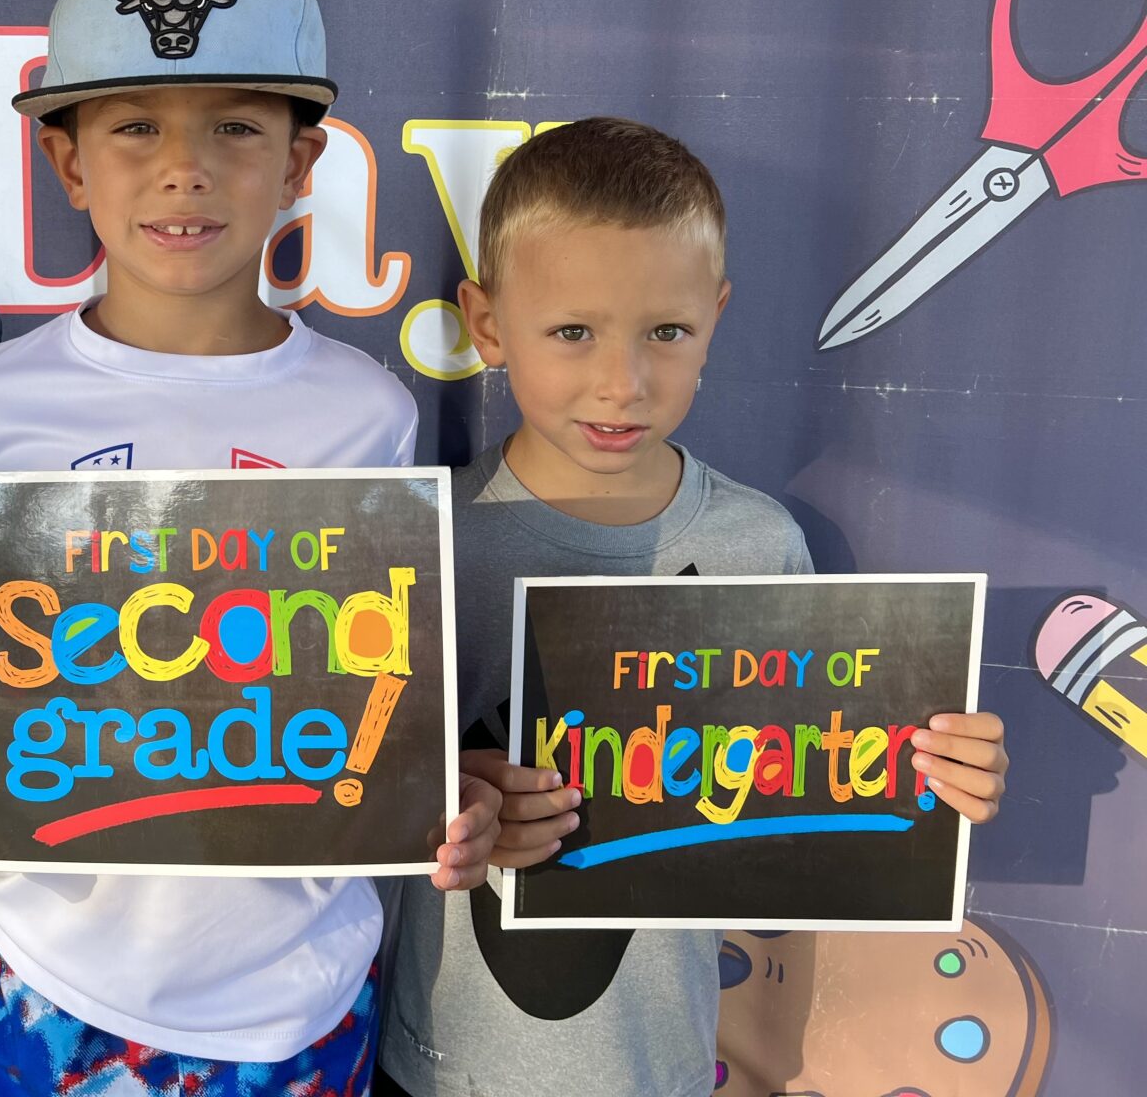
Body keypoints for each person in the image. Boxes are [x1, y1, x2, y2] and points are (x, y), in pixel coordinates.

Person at [0, 0, 504, 1096]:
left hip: (297, 990)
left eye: (234, 127)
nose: (185, 169)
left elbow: (373, 696)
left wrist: (440, 795)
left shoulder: (366, 414)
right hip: (48, 975)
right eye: (135, 128)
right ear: (69, 163)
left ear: (301, 162)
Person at [373, 117, 1011, 1097]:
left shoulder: (762, 547)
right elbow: (334, 789)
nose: (622, 383)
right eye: (573, 332)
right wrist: (446, 798)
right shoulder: (421, 542)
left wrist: (937, 778)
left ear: (713, 318)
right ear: (488, 324)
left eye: (665, 333)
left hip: (661, 1067)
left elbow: (817, 802)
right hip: (441, 1069)